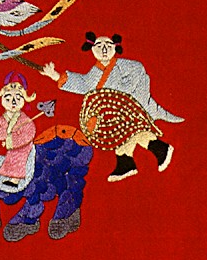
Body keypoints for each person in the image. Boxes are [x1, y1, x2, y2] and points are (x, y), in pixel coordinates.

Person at [41, 32, 183, 182]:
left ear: (115, 48)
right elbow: (84, 84)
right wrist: (55, 75)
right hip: (111, 110)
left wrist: (121, 92)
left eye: (108, 46)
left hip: (128, 105)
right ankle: (127, 162)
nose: (104, 50)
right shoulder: (96, 71)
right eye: (99, 46)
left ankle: (158, 148)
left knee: (129, 129)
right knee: (117, 132)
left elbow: (139, 70)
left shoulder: (125, 65)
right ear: (92, 49)